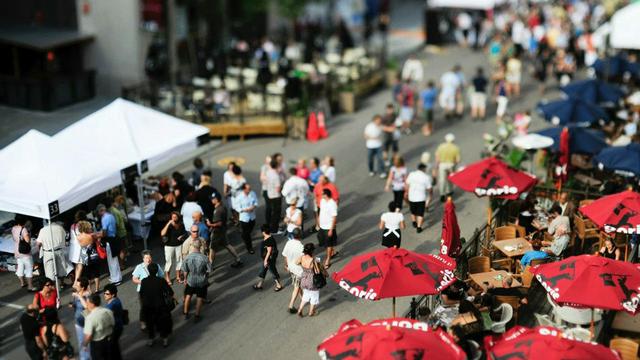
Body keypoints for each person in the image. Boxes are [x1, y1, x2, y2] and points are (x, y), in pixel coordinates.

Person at [140, 263, 174, 348]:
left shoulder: (144, 281)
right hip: (160, 306)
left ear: (148, 270)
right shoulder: (161, 280)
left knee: (150, 324)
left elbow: (141, 294)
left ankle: (151, 339)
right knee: (163, 323)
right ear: (157, 271)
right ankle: (165, 340)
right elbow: (170, 292)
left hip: (148, 307)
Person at [207, 192, 243, 267]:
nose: (211, 200)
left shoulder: (218, 210)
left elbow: (219, 223)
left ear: (216, 199)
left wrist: (210, 224)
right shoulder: (222, 207)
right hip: (223, 230)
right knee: (227, 245)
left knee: (212, 248)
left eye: (212, 199)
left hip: (217, 232)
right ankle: (238, 259)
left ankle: (210, 265)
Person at [132, 250, 164, 331]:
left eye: (149, 257)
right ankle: (143, 323)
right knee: (144, 307)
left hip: (155, 290)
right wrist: (143, 282)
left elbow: (161, 277)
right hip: (143, 291)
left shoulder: (156, 265)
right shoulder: (139, 267)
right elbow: (134, 279)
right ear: (143, 259)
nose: (148, 259)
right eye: (146, 258)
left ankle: (156, 322)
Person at [36, 221, 73, 287]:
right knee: (61, 269)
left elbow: (38, 244)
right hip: (59, 251)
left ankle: (53, 287)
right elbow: (64, 239)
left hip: (48, 252)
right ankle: (62, 283)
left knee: (50, 272)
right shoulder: (60, 228)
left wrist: (40, 252)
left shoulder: (42, 230)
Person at [181, 238, 209, 321]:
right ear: (200, 246)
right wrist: (206, 276)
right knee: (199, 297)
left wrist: (185, 279)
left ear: (193, 246)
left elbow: (185, 270)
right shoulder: (204, 258)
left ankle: (186, 312)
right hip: (201, 280)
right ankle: (197, 315)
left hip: (191, 280)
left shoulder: (187, 258)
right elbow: (209, 270)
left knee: (188, 295)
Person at [296, 243, 326, 317]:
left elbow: (296, 262)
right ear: (312, 251)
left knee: (306, 295)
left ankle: (300, 310)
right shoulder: (313, 260)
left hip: (304, 279)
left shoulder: (302, 257)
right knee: (314, 296)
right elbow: (317, 271)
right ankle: (311, 312)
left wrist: (303, 266)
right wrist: (318, 264)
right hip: (312, 280)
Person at [96, 204, 122, 285]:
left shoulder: (104, 218)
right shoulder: (111, 215)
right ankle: (115, 277)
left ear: (100, 211)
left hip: (109, 240)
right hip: (114, 238)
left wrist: (97, 235)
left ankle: (116, 279)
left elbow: (104, 232)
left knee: (112, 260)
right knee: (113, 260)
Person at [82, 293, 114, 359]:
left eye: (87, 303)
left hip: (98, 345)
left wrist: (84, 344)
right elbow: (113, 324)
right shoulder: (108, 311)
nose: (86, 305)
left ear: (92, 304)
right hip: (110, 340)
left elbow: (88, 335)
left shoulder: (90, 318)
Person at [253, 225, 284, 291]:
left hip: (269, 259)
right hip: (267, 259)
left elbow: (269, 251)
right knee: (263, 271)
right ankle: (260, 284)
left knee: (272, 271)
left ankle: (279, 285)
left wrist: (266, 260)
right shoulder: (267, 237)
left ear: (263, 232)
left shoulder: (269, 240)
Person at [161, 211, 187, 285]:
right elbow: (162, 233)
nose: (174, 218)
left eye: (175, 217)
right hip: (169, 246)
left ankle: (178, 276)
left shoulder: (181, 224)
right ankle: (167, 277)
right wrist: (168, 223)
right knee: (169, 262)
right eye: (172, 217)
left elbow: (184, 233)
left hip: (179, 245)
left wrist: (182, 236)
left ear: (178, 217)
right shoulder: (168, 225)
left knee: (179, 261)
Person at [405, 163, 433, 233]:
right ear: (424, 169)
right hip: (421, 198)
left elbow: (407, 184)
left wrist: (406, 192)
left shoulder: (412, 174)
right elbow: (429, 188)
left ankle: (414, 221)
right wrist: (430, 194)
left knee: (413, 211)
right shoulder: (426, 177)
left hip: (412, 197)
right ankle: (419, 227)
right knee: (420, 213)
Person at [282, 228, 304, 313]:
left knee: (297, 285)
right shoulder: (301, 247)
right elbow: (302, 261)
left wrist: (287, 265)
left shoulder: (289, 243)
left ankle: (302, 298)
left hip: (291, 268)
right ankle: (291, 305)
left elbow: (285, 255)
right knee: (297, 287)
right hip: (298, 270)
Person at [13, 214, 36, 291]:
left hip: (17, 250)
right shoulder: (24, 229)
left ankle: (22, 283)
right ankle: (30, 286)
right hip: (24, 252)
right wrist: (28, 236)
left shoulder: (13, 228)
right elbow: (27, 240)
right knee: (29, 268)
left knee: (20, 267)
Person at [435, 133, 461, 202]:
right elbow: (458, 160)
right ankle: (449, 191)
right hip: (451, 164)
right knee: (450, 178)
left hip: (442, 164)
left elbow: (437, 157)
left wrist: (437, 166)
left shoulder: (441, 146)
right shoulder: (455, 147)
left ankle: (442, 194)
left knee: (442, 179)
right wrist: (454, 164)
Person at [71, 278, 92, 360]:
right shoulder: (77, 294)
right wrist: (73, 305)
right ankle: (84, 357)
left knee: (89, 341)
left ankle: (90, 356)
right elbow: (76, 305)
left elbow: (86, 306)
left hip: (87, 322)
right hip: (78, 323)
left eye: (77, 285)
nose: (75, 286)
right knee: (81, 341)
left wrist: (79, 296)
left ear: (83, 287)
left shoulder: (88, 295)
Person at [234, 183, 258, 253]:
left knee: (248, 232)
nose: (250, 190)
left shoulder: (252, 193)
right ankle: (250, 248)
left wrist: (253, 207)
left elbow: (256, 202)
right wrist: (244, 210)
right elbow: (236, 207)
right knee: (247, 234)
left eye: (250, 188)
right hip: (244, 218)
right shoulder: (239, 197)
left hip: (252, 217)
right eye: (248, 189)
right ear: (244, 189)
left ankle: (244, 236)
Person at [317, 189, 338, 269]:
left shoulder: (332, 204)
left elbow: (334, 218)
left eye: (322, 194)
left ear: (326, 195)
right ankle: (332, 252)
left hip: (329, 227)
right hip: (322, 226)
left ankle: (328, 260)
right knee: (323, 242)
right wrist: (318, 221)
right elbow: (321, 212)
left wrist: (331, 230)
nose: (321, 195)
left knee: (329, 244)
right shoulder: (322, 201)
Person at [103, 284, 123, 359]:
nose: (105, 295)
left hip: (114, 328)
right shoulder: (116, 300)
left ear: (113, 294)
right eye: (104, 293)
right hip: (118, 326)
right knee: (115, 347)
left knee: (112, 349)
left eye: (107, 294)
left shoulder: (111, 305)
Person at [107, 197, 128, 266]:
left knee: (122, 249)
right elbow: (116, 223)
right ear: (112, 203)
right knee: (122, 249)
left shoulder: (111, 211)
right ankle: (121, 264)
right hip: (120, 233)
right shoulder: (114, 211)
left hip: (119, 232)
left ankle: (121, 263)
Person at [264, 157, 283, 233]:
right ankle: (274, 229)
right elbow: (278, 189)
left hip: (269, 193)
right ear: (277, 166)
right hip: (276, 196)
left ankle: (270, 226)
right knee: (276, 214)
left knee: (271, 211)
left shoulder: (268, 172)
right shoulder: (276, 176)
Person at [68, 211, 88, 283]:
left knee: (77, 266)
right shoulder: (82, 225)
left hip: (73, 247)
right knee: (80, 265)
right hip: (80, 247)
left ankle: (76, 281)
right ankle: (76, 282)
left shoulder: (72, 225)